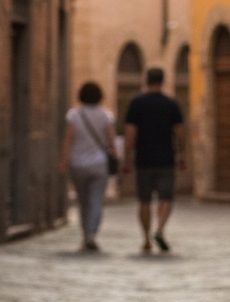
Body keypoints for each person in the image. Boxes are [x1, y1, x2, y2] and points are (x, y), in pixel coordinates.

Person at [123, 67, 186, 253]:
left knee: (144, 201)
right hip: (166, 158)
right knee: (166, 198)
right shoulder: (171, 104)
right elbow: (180, 133)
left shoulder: (136, 103)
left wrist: (127, 159)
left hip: (143, 159)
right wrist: (182, 154)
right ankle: (159, 229)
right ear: (162, 81)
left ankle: (146, 239)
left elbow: (130, 133)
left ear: (146, 80)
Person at [60, 81, 116, 251]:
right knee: (96, 200)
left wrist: (63, 160)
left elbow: (68, 139)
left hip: (78, 164)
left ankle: (86, 235)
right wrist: (116, 157)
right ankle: (91, 234)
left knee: (83, 201)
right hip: (99, 164)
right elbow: (111, 140)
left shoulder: (74, 115)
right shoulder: (106, 115)